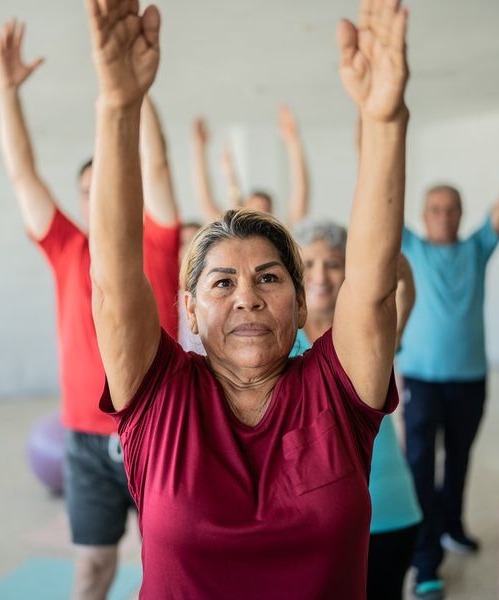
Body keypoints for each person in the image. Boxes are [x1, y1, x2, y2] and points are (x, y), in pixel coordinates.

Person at [86, 0, 408, 597]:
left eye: (268, 278)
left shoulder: (336, 392)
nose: (248, 298)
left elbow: (372, 291)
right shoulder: (160, 397)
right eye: (222, 283)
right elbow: (111, 283)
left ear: (303, 301)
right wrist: (118, 106)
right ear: (189, 309)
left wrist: (384, 121)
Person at [0, 20, 179, 599]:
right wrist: (6, 92)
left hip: (157, 430)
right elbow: (23, 173)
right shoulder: (67, 247)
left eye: (112, 183)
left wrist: (132, 88)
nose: (103, 197)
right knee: (91, 572)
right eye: (90, 189)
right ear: (80, 200)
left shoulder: (160, 239)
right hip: (82, 440)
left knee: (172, 568)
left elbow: (156, 165)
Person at [398, 96, 499, 599]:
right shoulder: (410, 248)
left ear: (460, 214)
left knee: (458, 461)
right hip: (422, 379)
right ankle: (425, 556)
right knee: (418, 466)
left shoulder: (477, 247)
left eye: (451, 208)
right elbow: (383, 193)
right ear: (424, 214)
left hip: (470, 378)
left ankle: (451, 525)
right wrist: (381, 127)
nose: (444, 215)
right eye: (435, 208)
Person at [292, 219, 422, 600]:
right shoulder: (275, 342)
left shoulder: (366, 336)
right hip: (310, 522)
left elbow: (399, 304)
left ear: (350, 271)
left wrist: (399, 274)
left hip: (386, 512)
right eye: (308, 263)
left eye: (332, 263)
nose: (320, 275)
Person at [191, 105, 309, 224]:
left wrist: (293, 141)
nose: (260, 213)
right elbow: (205, 199)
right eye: (255, 208)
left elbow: (301, 192)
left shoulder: (282, 237)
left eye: (265, 209)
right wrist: (199, 148)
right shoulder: (230, 232)